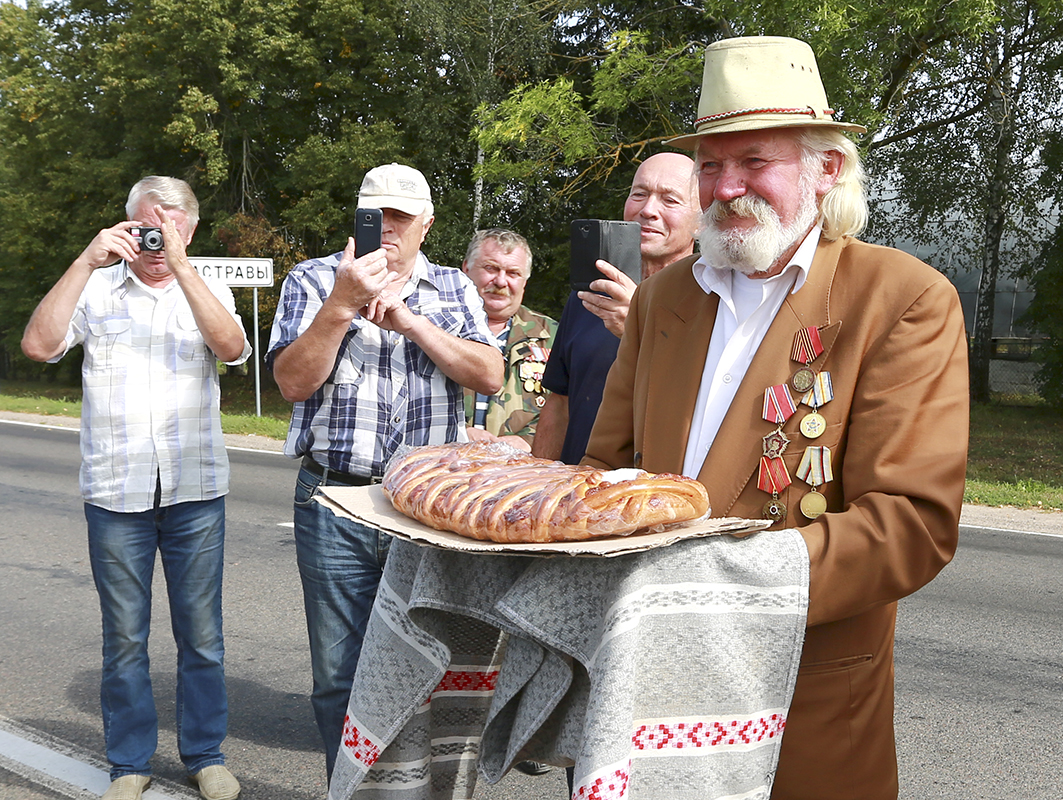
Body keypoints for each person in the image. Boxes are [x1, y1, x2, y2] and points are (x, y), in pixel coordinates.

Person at [581, 36, 969, 799]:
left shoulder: (901, 297)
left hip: (798, 698)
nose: (726, 188)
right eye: (711, 166)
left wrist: (705, 583)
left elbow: (910, 526)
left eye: (754, 162)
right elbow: (605, 469)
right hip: (641, 680)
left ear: (825, 168)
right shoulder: (663, 299)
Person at [266, 162, 503, 780]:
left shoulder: (453, 287)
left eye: (402, 216)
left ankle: (420, 791)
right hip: (335, 497)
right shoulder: (314, 279)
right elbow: (292, 382)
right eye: (377, 215)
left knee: (435, 664)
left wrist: (413, 323)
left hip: (425, 506)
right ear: (359, 215)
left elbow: (489, 375)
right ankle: (346, 790)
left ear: (427, 223)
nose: (389, 228)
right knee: (340, 673)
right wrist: (341, 305)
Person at [21, 177, 250, 800]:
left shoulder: (210, 287)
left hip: (194, 489)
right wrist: (83, 260)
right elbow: (38, 345)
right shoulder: (97, 287)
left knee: (202, 635)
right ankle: (129, 763)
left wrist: (181, 267)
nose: (155, 238)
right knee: (124, 637)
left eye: (169, 227)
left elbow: (232, 348)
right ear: (124, 225)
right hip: (115, 489)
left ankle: (205, 753)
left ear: (190, 229)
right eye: (145, 226)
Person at [532, 151, 700, 464]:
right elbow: (559, 405)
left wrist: (636, 330)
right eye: (639, 194)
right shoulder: (590, 296)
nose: (648, 209)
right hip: (574, 493)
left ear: (702, 222)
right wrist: (538, 484)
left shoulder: (709, 303)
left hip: (647, 499)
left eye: (670, 200)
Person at [461, 228, 558, 452]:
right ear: (466, 268)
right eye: (490, 268)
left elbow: (568, 406)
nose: (501, 281)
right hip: (444, 465)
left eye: (513, 273)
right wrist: (456, 432)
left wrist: (527, 441)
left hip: (522, 472)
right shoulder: (436, 327)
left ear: (525, 280)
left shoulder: (553, 336)